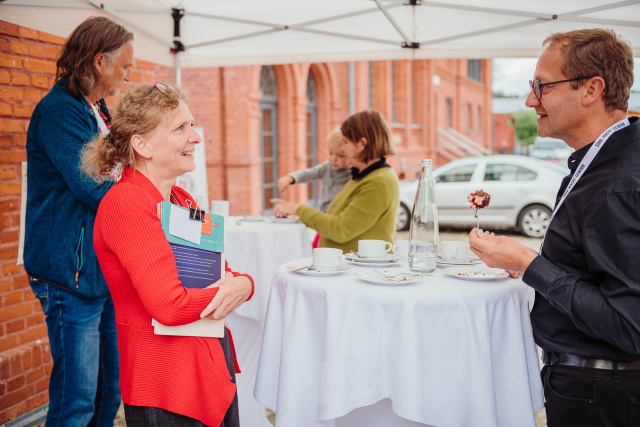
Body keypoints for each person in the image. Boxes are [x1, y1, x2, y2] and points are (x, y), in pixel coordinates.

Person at [468, 29, 639, 426]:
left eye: (541, 86)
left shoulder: (619, 183)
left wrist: (529, 264)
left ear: (591, 89)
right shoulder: (600, 162)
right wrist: (534, 267)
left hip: (601, 394)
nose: (531, 100)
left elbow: (628, 324)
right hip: (590, 384)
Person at [81, 83, 254, 427]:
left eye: (192, 125)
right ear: (142, 145)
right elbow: (169, 305)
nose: (196, 137)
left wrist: (244, 284)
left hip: (204, 364)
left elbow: (219, 272)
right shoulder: (127, 203)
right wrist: (237, 287)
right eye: (180, 128)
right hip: (167, 383)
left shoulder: (181, 200)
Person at [24, 16, 133, 426]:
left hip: (100, 271)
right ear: (100, 62)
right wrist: (146, 205)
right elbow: (93, 187)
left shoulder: (96, 108)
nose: (127, 75)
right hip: (69, 274)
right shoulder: (59, 111)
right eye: (125, 66)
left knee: (109, 392)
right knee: (77, 401)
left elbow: (120, 170)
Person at [272, 109, 398, 253]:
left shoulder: (378, 182)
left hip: (357, 265)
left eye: (346, 142)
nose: (343, 149)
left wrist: (299, 209)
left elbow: (340, 230)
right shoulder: (362, 176)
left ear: (362, 144)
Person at [277, 127, 351, 213]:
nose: (333, 159)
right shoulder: (326, 167)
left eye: (340, 156)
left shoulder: (355, 173)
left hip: (341, 214)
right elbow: (309, 173)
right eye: (330, 153)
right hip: (323, 212)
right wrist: (290, 178)